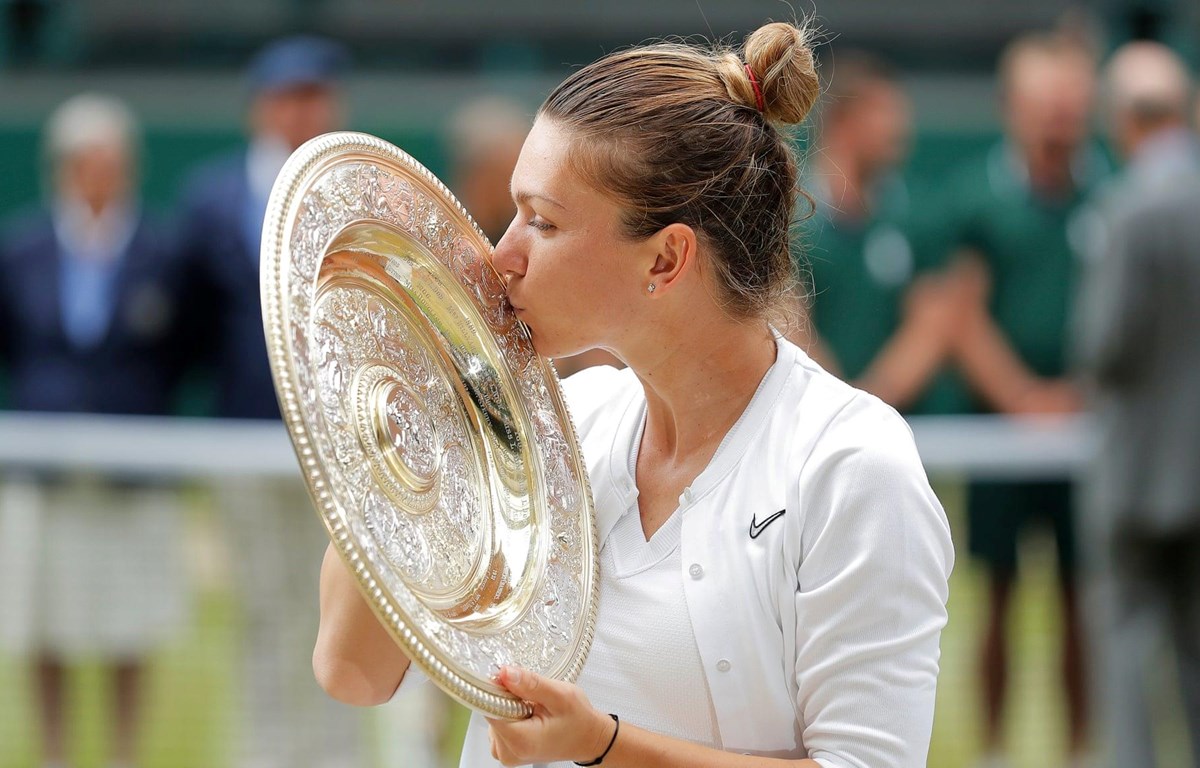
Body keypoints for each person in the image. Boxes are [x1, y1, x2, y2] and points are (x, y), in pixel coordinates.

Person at [313, 21, 954, 768]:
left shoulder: (849, 464)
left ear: (666, 258)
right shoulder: (564, 423)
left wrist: (603, 746)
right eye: (514, 212)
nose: (502, 253)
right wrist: (425, 417)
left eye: (543, 222)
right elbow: (352, 671)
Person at [174, 36, 365, 768]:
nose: (303, 110)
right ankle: (266, 754)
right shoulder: (213, 198)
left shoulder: (359, 185)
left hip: (347, 448)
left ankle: (338, 756)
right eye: (289, 96)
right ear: (262, 106)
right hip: (246, 440)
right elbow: (189, 325)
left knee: (344, 613)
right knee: (263, 607)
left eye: (315, 94)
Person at [0, 93, 187, 768]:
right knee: (41, 623)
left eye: (113, 160)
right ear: (65, 167)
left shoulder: (161, 252)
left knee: (127, 621)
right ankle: (54, 754)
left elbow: (180, 350)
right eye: (88, 160)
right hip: (43, 467)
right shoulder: (22, 249)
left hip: (131, 469)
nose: (101, 173)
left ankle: (122, 755)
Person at [937, 32, 1106, 767]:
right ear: (1013, 109)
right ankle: (997, 752)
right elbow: (962, 314)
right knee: (998, 594)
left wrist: (1082, 395)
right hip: (1000, 434)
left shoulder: (1112, 191)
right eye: (1046, 106)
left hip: (1091, 434)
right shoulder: (977, 199)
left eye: (1071, 106)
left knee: (1081, 601)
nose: (1059, 121)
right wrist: (1022, 398)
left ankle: (1081, 751)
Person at [1075, 41, 1200, 768]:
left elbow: (1105, 343)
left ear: (1123, 119)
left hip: (1136, 474)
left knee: (1123, 644)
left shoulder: (1127, 211)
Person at [799, 50, 962, 412]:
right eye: (884, 112)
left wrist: (867, 406)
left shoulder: (916, 215)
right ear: (842, 122)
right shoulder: (789, 222)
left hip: (901, 425)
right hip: (810, 427)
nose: (900, 126)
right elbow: (789, 328)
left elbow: (932, 323)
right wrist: (841, 409)